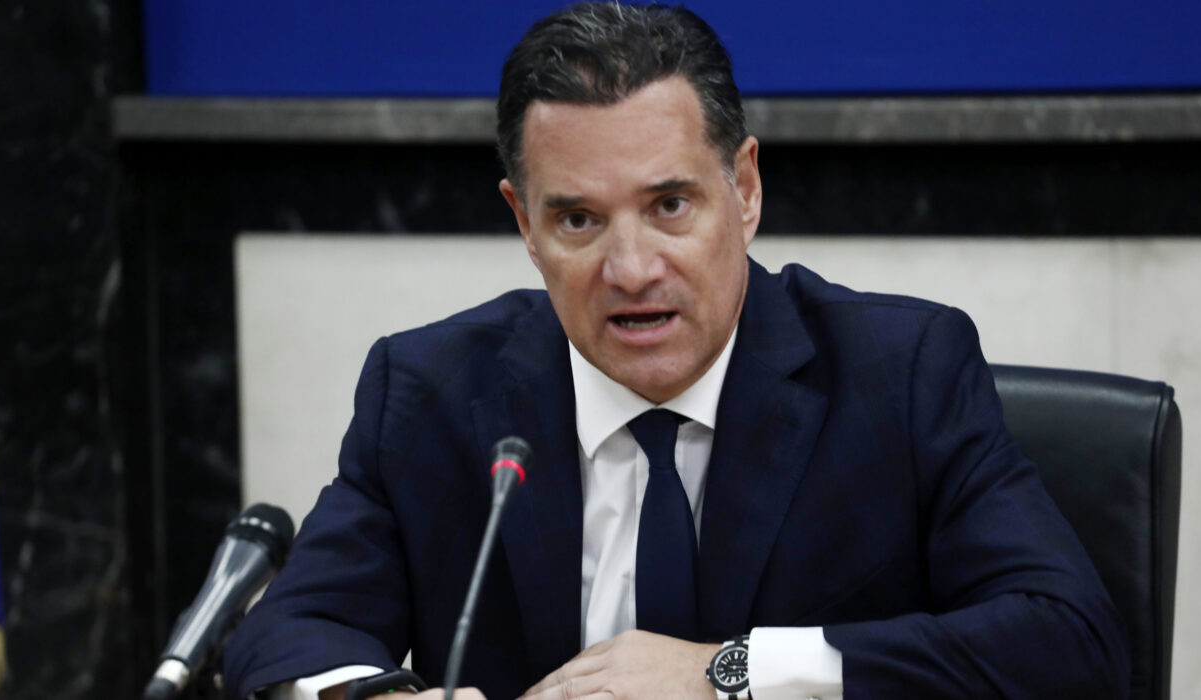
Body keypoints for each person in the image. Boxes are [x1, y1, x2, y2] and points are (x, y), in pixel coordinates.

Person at [223, 3, 1129, 699]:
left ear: (745, 190)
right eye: (578, 220)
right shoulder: (431, 392)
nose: (631, 269)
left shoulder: (900, 374)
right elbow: (288, 635)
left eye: (669, 206)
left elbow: (1069, 643)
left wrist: (729, 672)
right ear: (524, 225)